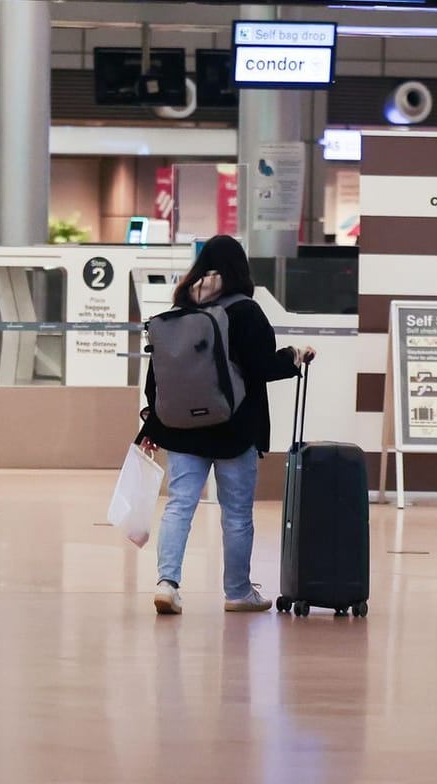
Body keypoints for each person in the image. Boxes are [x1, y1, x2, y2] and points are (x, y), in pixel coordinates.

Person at [135, 235, 312, 616]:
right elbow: (263, 366)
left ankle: (167, 583)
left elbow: (159, 374)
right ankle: (237, 591)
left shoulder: (179, 310)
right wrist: (295, 357)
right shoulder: (245, 311)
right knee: (235, 513)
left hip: (181, 427)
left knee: (180, 505)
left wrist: (153, 421)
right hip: (235, 427)